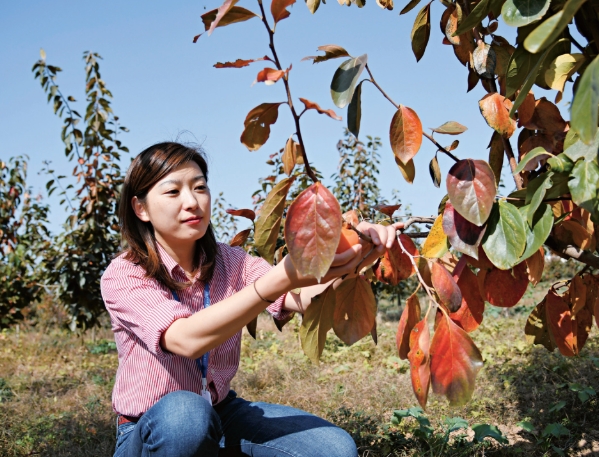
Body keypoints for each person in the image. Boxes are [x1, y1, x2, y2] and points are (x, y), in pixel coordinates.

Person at [101, 142, 399, 457]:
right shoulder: (125, 274)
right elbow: (186, 339)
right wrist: (277, 280)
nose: (192, 202)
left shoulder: (233, 262)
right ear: (141, 208)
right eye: (173, 192)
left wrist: (354, 252)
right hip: (153, 428)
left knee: (334, 449)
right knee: (185, 416)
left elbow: (303, 298)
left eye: (200, 187)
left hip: (221, 413)